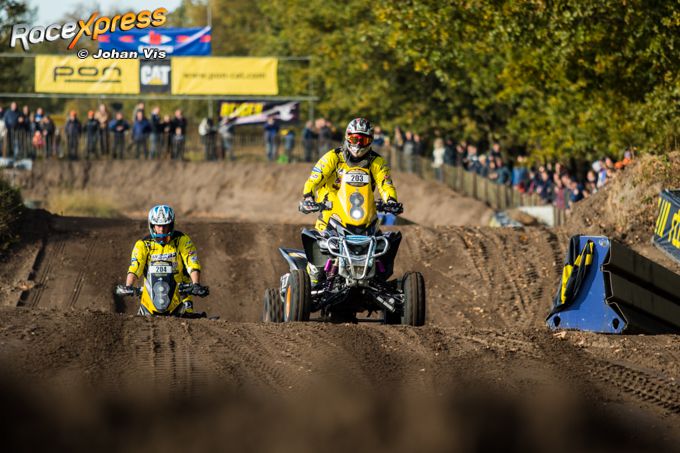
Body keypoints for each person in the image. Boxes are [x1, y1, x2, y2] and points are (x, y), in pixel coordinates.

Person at [299, 117, 403, 232]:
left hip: (363, 209)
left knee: (385, 238)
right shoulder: (333, 157)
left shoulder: (377, 161)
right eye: (354, 139)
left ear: (370, 141)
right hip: (331, 207)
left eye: (363, 140)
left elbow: (385, 184)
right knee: (317, 235)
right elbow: (314, 179)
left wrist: (391, 201)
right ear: (347, 137)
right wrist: (308, 197)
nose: (358, 144)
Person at [121, 205, 208, 316]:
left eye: (165, 226)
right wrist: (128, 286)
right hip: (152, 296)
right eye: (158, 226)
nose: (161, 229)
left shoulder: (182, 240)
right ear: (152, 225)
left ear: (171, 225)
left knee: (191, 319)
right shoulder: (143, 244)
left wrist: (196, 284)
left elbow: (192, 263)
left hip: (181, 295)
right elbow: (135, 267)